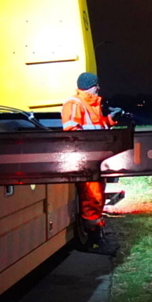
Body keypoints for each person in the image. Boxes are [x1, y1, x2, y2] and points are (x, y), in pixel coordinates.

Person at [62, 72, 120, 254]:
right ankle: (94, 241)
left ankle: (97, 238)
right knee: (91, 200)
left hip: (95, 161)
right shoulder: (74, 104)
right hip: (87, 162)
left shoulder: (91, 104)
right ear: (90, 86)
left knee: (96, 199)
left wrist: (111, 120)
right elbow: (72, 132)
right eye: (96, 85)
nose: (99, 88)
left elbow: (98, 128)